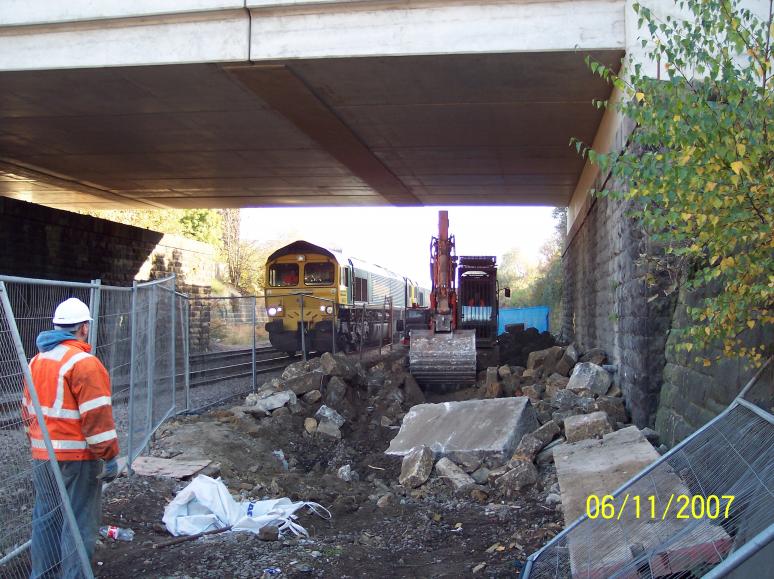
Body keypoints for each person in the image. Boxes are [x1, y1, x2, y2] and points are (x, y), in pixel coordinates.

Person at [23, 297, 119, 578]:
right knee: (78, 522)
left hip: (44, 455)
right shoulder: (85, 363)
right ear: (84, 328)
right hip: (78, 458)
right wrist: (109, 455)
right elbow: (97, 417)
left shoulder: (36, 361)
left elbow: (27, 410)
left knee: (46, 518)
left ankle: (42, 574)